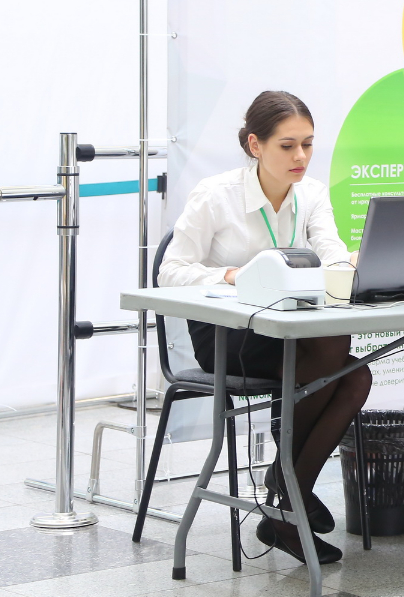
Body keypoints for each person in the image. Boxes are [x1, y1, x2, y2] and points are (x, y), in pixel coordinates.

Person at [159, 90, 371, 566]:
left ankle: (285, 492)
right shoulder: (216, 195)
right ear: (255, 145)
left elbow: (332, 255)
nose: (301, 157)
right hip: (229, 335)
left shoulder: (312, 194)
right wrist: (233, 275)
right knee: (334, 350)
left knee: (357, 374)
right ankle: (288, 496)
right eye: (287, 146)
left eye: (308, 144)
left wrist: (352, 266)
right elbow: (170, 271)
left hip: (296, 331)